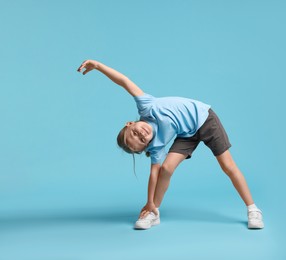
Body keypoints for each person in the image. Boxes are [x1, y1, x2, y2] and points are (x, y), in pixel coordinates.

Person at [77, 60, 264, 230]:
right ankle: (153, 212)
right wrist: (149, 201)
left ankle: (253, 209)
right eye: (142, 141)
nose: (142, 134)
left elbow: (124, 81)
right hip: (186, 134)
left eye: (136, 132)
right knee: (165, 168)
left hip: (204, 119)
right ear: (146, 147)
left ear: (130, 123)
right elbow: (154, 174)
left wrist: (99, 67)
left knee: (227, 166)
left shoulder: (146, 107)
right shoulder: (156, 145)